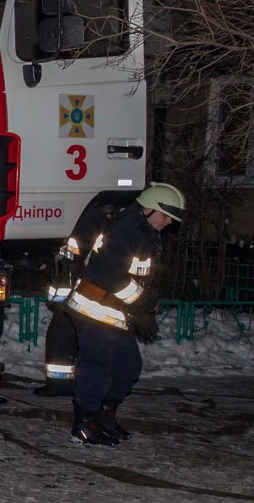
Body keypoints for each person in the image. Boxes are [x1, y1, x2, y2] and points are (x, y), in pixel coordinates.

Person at [63, 182, 184, 446]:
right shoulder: (124, 231)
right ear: (148, 209)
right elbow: (114, 278)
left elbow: (135, 278)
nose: (168, 222)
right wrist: (146, 303)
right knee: (97, 368)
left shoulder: (146, 233)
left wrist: (141, 309)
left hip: (114, 312)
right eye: (166, 215)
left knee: (128, 367)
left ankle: (104, 416)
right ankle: (83, 425)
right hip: (92, 309)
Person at [36, 202, 114, 397]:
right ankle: (64, 383)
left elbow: (77, 256)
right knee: (67, 334)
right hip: (75, 285)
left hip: (74, 287)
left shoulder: (84, 218)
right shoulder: (91, 217)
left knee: (63, 334)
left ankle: (61, 384)